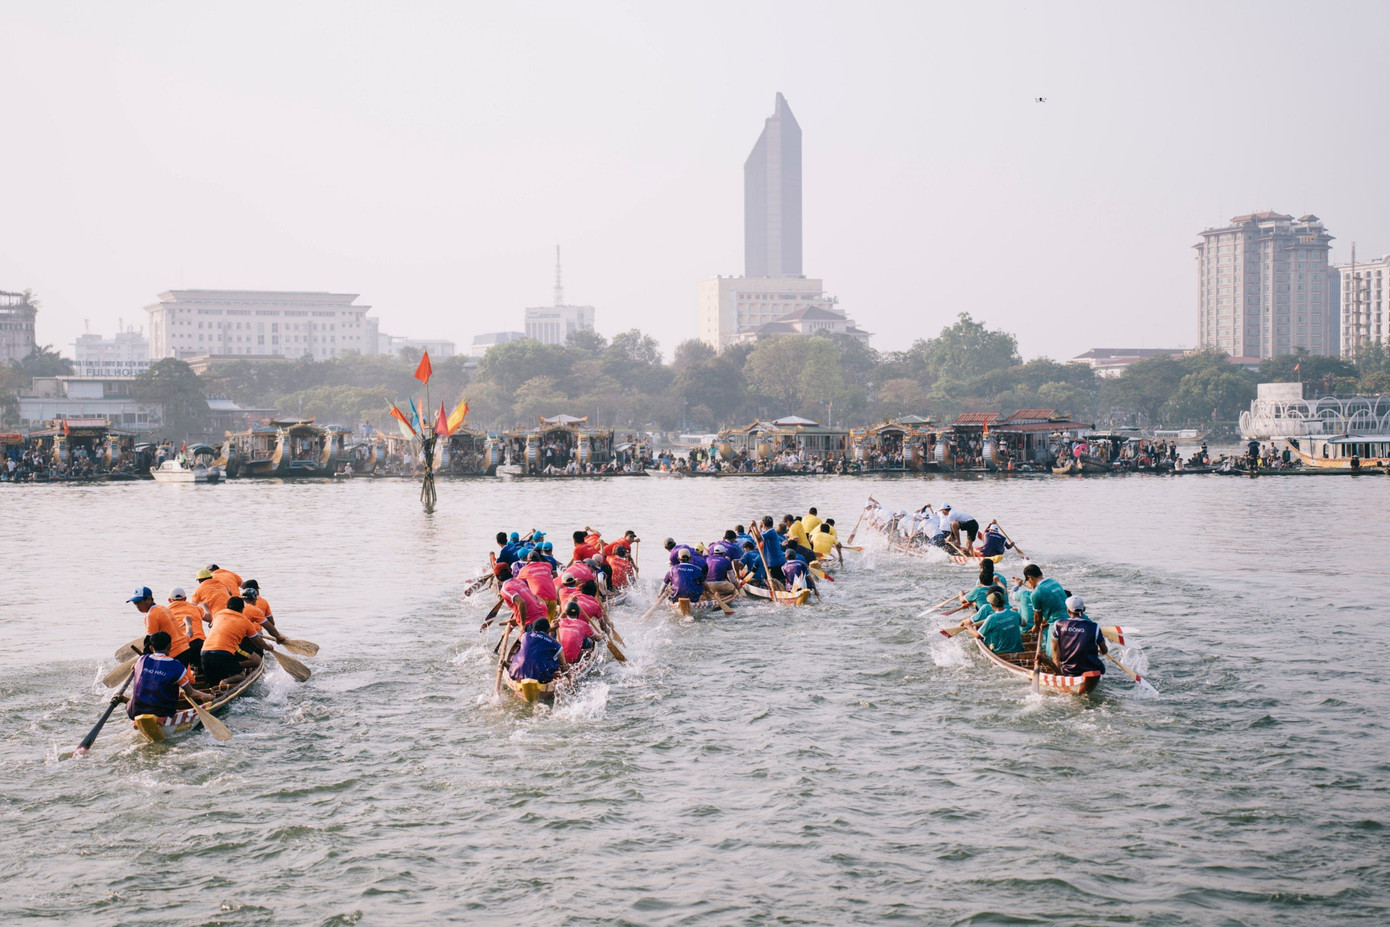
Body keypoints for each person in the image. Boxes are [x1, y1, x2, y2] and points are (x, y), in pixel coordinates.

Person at [125, 631, 211, 721]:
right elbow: (191, 693)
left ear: (151, 648)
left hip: (134, 712)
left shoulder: (141, 660)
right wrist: (207, 696)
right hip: (162, 713)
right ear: (169, 646)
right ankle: (170, 712)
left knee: (130, 700)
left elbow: (135, 668)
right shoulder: (177, 666)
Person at [202, 597, 267, 687]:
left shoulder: (218, 615)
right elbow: (257, 641)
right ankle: (225, 680)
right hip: (223, 653)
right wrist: (268, 647)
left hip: (204, 654)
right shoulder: (245, 621)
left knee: (212, 685)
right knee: (252, 666)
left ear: (227, 607)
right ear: (242, 609)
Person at [127, 586, 193, 668]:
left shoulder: (151, 615)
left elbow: (149, 642)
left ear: (149, 599)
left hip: (173, 653)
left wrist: (141, 662)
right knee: (184, 678)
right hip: (185, 650)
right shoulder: (163, 608)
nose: (137, 606)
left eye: (139, 602)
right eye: (135, 603)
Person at [1051, 595, 1107, 676]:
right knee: (1102, 667)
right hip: (1091, 669)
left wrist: (1057, 671)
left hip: (1068, 670)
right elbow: (1104, 651)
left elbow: (1055, 652)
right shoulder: (1095, 626)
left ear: (1067, 610)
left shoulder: (1058, 624)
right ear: (1084, 609)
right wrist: (1101, 650)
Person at [1022, 564, 1069, 651]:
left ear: (1030, 577)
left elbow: (1037, 615)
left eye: (1028, 580)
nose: (1029, 583)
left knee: (1051, 653)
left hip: (1056, 623)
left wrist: (1036, 627)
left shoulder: (1036, 593)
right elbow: (1058, 603)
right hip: (1070, 618)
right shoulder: (1054, 582)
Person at [962, 589, 1024, 654]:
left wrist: (969, 627)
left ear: (991, 605)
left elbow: (978, 635)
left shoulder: (992, 618)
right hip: (1019, 649)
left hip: (1000, 651)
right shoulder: (1014, 613)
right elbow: (1024, 624)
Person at [507, 617, 566, 683]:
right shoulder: (554, 643)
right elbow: (563, 665)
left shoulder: (525, 636)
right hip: (540, 677)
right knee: (555, 662)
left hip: (517, 673)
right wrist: (568, 679)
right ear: (547, 630)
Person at [166, 587, 206, 664]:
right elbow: (209, 618)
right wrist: (205, 607)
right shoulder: (196, 608)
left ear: (169, 600)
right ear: (185, 598)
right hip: (200, 643)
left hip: (181, 646)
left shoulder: (165, 611)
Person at [519, 552, 560, 619]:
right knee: (551, 623)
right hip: (553, 598)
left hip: (540, 600)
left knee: (540, 623)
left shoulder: (526, 569)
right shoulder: (547, 565)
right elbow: (550, 565)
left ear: (528, 560)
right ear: (539, 559)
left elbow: (517, 582)